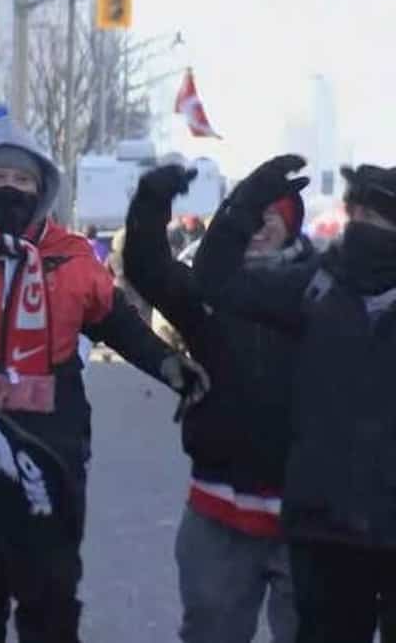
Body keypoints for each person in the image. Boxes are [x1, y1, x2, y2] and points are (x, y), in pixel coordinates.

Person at [0, 118, 209, 643]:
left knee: (49, 594)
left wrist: (170, 367)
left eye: (23, 179)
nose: (11, 187)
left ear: (43, 187)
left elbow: (119, 325)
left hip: (50, 448)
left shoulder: (72, 258)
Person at [195, 155, 396, 643]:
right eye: (363, 216)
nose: (371, 228)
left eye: (386, 219)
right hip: (324, 526)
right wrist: (244, 203)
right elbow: (215, 281)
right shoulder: (316, 285)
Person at [124, 163, 314, 643]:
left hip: (309, 518)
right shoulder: (204, 293)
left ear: (290, 224)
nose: (257, 226)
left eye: (270, 216)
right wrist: (149, 204)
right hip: (219, 510)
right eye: (250, 215)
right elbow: (148, 269)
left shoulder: (323, 290)